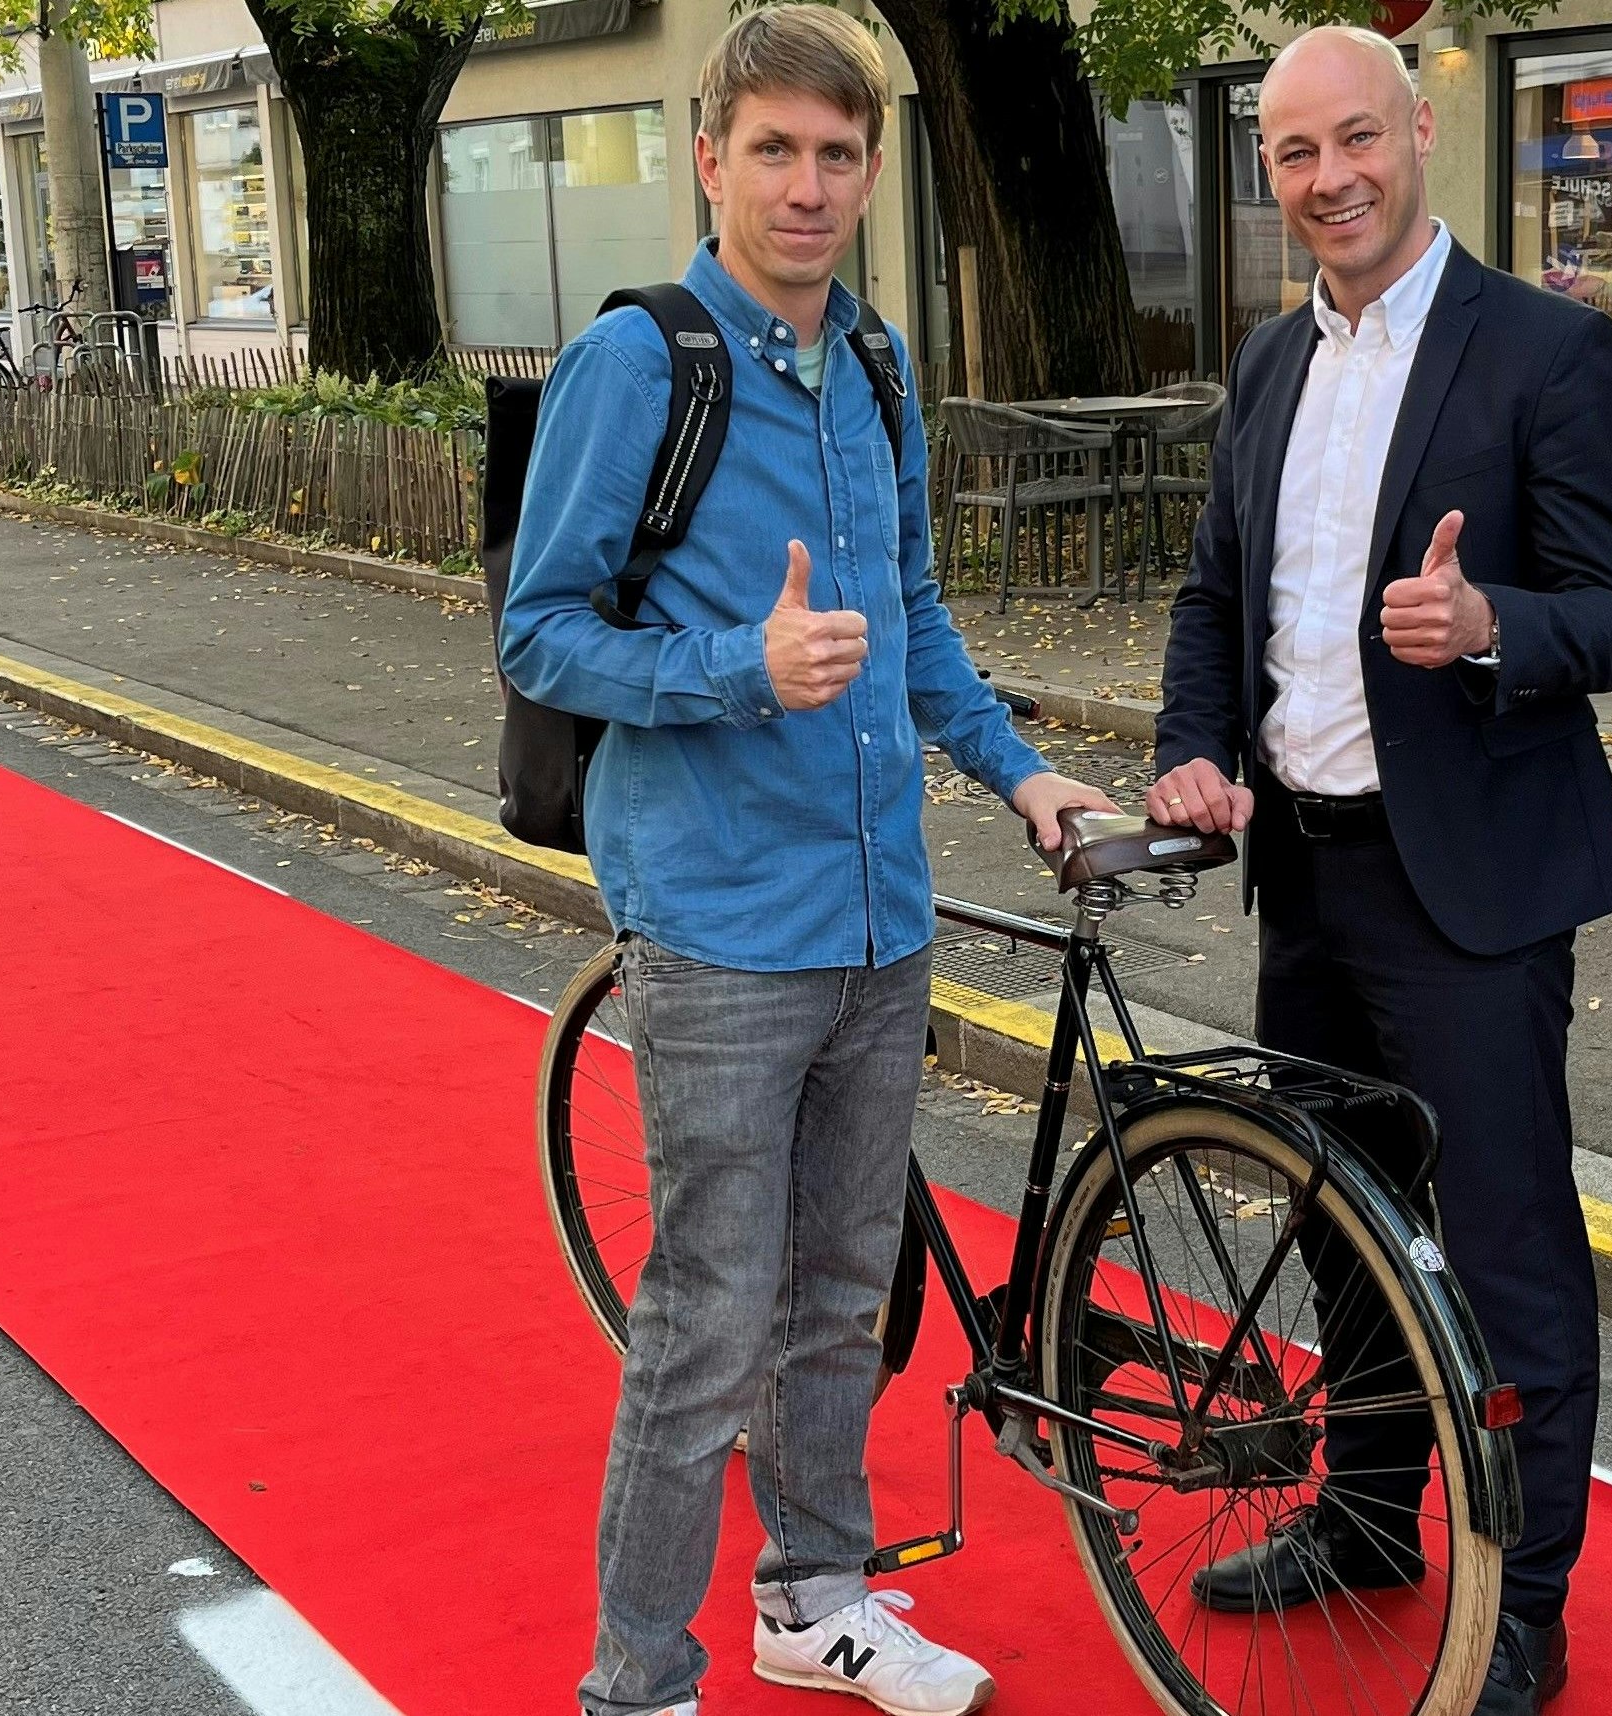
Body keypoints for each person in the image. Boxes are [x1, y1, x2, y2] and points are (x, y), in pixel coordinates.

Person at [497, 10, 1113, 1715]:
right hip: (715, 923)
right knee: (705, 1325)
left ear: (870, 168)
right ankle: (636, 1680)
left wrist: (1021, 770)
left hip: (875, 915)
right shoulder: (643, 362)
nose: (809, 184)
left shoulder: (879, 365)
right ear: (711, 159)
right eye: (774, 149)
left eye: (839, 154)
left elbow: (911, 621)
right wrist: (730, 673)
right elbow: (540, 636)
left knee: (846, 1296)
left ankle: (814, 1598)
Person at [1148, 25, 1612, 1716]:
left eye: (1355, 140)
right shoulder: (1268, 364)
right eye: (1294, 155)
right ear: (1271, 174)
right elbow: (1221, 592)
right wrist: (1191, 742)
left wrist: (1495, 622)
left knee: (1504, 1257)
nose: (1330, 179)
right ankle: (1365, 1519)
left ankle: (1529, 1600)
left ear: (1420, 134)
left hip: (1476, 896)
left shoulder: (1548, 351)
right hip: (1310, 869)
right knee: (1342, 1226)